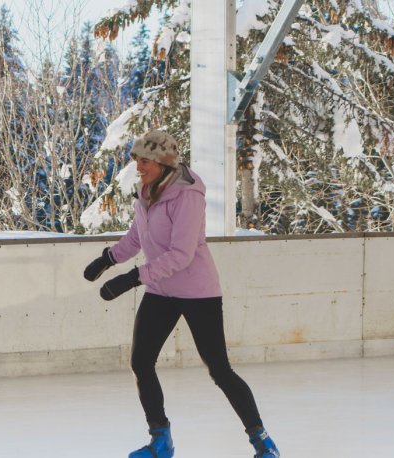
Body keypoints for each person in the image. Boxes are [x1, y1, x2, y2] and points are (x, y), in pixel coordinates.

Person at [83, 130, 280, 458]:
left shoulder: (187, 195)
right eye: (136, 161)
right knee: (141, 362)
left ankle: (262, 442)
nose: (138, 167)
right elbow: (137, 237)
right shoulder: (148, 191)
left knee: (219, 370)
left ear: (162, 162)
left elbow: (181, 254)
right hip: (162, 289)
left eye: (144, 161)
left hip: (197, 291)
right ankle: (161, 440)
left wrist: (133, 278)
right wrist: (108, 258)